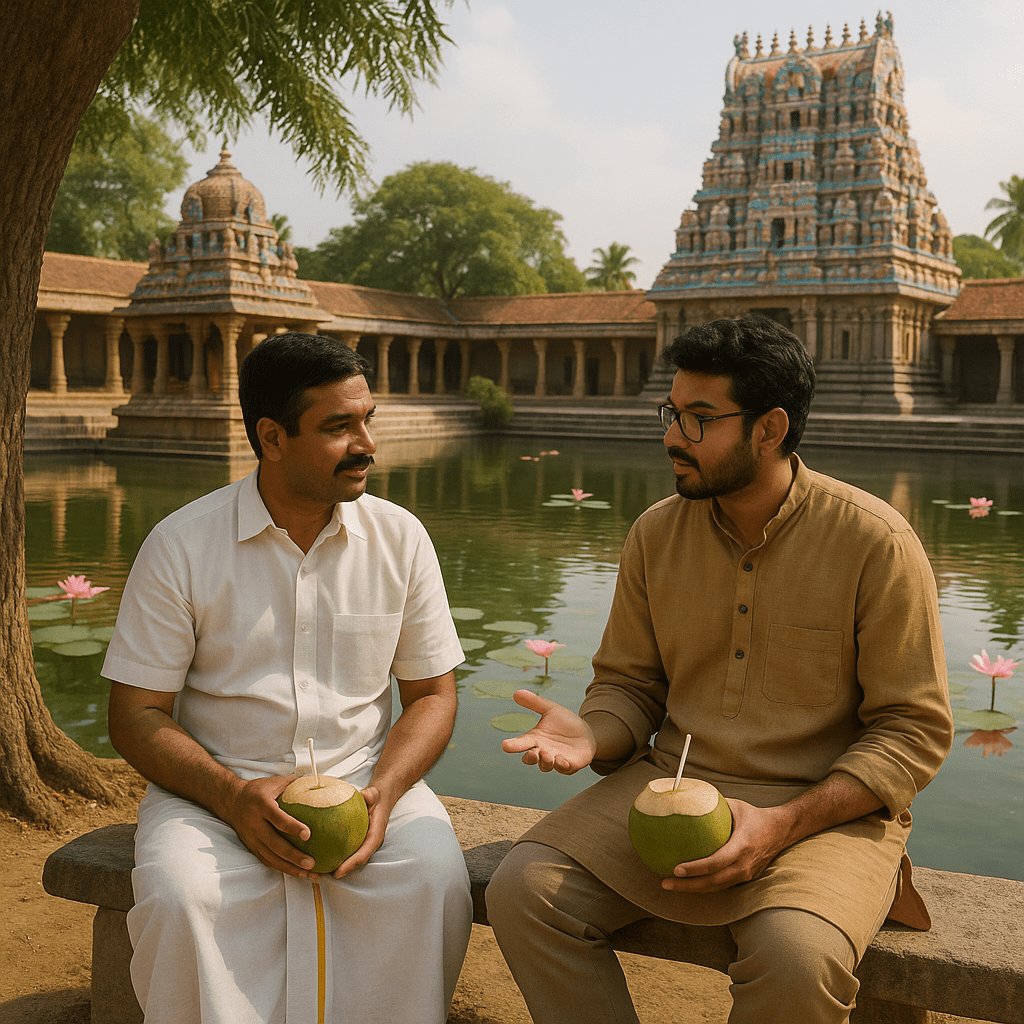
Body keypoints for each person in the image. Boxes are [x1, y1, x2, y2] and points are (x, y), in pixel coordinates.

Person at [486, 314, 953, 1024]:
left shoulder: (875, 542)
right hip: (668, 788)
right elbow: (630, 686)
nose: (674, 435)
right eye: (671, 412)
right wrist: (593, 736)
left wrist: (783, 823)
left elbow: (912, 731)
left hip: (823, 811)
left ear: (769, 429)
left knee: (796, 957)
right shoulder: (655, 532)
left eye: (700, 419)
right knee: (523, 891)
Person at [105, 331, 472, 1024]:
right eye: (339, 427)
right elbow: (137, 715)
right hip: (214, 788)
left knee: (433, 880)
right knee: (181, 899)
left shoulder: (401, 538)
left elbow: (432, 696)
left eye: (367, 420)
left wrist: (385, 793)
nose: (367, 444)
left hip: (366, 778)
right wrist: (234, 796)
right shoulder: (181, 545)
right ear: (271, 438)